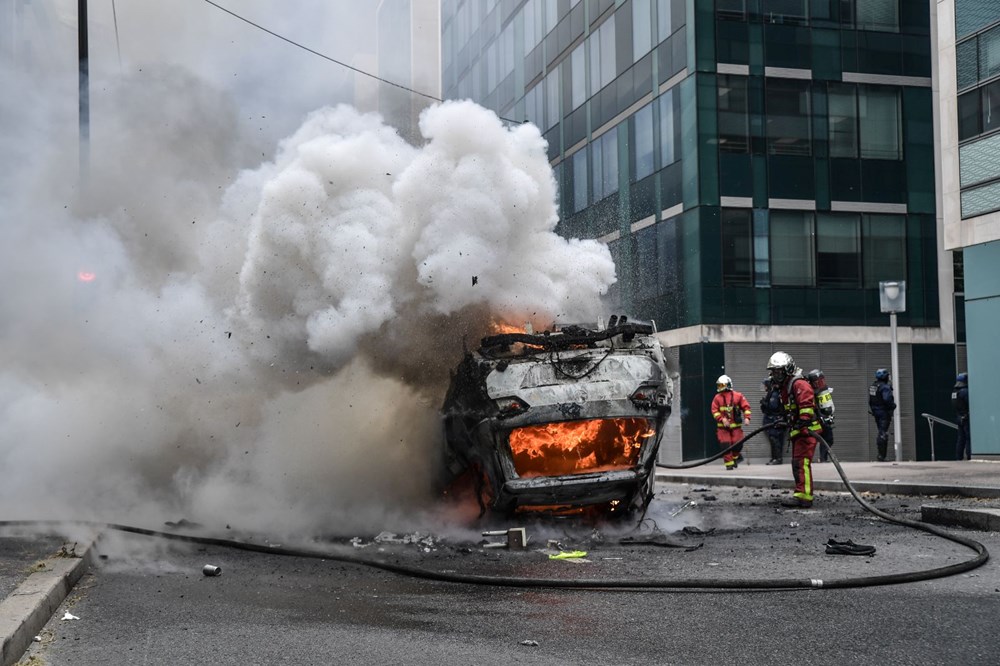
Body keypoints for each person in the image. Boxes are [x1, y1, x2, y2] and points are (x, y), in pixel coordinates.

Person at [767, 352, 822, 508]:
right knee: (797, 463)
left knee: (801, 463)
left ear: (787, 370)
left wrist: (803, 421)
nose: (775, 375)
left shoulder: (799, 384)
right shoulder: (787, 386)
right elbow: (791, 409)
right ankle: (801, 494)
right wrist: (784, 421)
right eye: (773, 372)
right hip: (800, 431)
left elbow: (806, 405)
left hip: (807, 431)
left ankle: (804, 497)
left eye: (778, 371)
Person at [711, 374, 752, 470]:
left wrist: (747, 418)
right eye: (719, 385)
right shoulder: (717, 398)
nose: (720, 387)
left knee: (738, 443)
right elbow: (714, 411)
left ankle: (735, 458)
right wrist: (722, 419)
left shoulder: (738, 396)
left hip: (736, 427)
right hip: (722, 428)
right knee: (725, 444)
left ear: (728, 385)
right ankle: (729, 464)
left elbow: (746, 407)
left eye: (722, 385)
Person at [807, 369, 835, 463]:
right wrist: (820, 416)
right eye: (817, 382)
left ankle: (823, 458)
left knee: (828, 439)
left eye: (822, 381)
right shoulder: (811, 393)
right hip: (817, 420)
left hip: (823, 418)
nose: (820, 384)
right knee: (816, 440)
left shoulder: (822, 391)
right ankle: (821, 459)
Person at [868, 368, 896, 462]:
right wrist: (893, 406)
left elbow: (870, 400)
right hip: (883, 412)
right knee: (883, 433)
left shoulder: (873, 386)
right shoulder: (885, 387)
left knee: (881, 431)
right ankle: (881, 456)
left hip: (876, 412)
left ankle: (881, 455)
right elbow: (887, 399)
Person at [760, 378, 785, 465]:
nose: (764, 387)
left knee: (775, 439)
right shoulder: (771, 394)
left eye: (765, 385)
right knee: (773, 439)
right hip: (772, 420)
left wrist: (765, 403)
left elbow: (773, 407)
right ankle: (774, 458)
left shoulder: (774, 394)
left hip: (775, 420)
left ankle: (777, 458)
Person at [952, 372, 971, 461]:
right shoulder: (964, 392)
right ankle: (969, 456)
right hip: (966, 417)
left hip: (959, 417)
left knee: (960, 439)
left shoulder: (954, 392)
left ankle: (958, 457)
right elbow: (969, 403)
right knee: (968, 438)